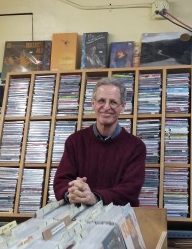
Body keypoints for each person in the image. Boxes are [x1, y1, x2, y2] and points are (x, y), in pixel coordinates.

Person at [54, 77, 146, 207]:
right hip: (79, 218)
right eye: (101, 101)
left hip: (120, 219)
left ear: (123, 107)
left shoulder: (136, 147)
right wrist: (72, 192)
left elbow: (130, 190)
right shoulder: (75, 141)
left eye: (113, 102)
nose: (106, 107)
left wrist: (95, 197)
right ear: (93, 104)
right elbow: (61, 182)